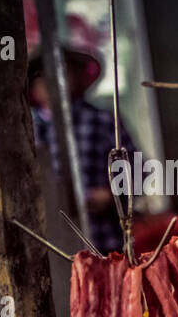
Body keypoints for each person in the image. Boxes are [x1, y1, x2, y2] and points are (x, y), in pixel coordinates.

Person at [28, 45, 135, 255]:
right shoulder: (28, 133)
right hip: (50, 244)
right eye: (43, 76)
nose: (53, 82)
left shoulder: (103, 120)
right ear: (33, 86)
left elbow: (138, 168)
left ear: (77, 76)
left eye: (62, 71)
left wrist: (112, 193)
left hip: (104, 237)